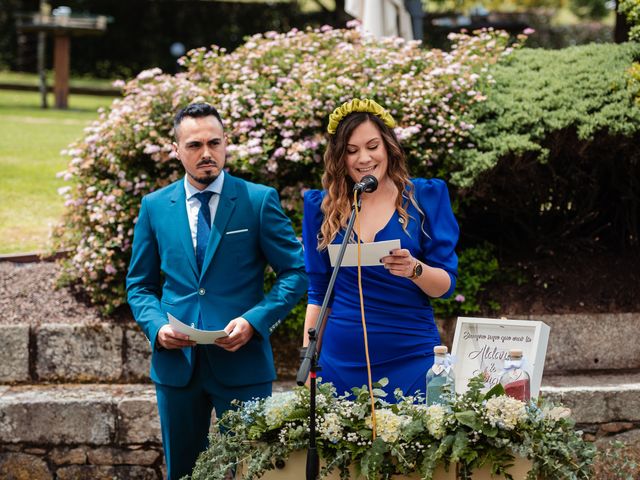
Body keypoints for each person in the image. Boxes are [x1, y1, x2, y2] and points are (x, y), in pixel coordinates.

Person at [126, 102, 307, 479]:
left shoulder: (258, 200)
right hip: (177, 368)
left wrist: (254, 322)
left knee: (252, 472)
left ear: (227, 144)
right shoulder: (155, 206)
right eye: (194, 145)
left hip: (244, 363)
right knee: (184, 473)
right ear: (175, 150)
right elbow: (140, 285)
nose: (206, 153)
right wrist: (158, 329)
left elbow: (296, 272)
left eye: (214, 142)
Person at [302, 98, 459, 400]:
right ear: (339, 157)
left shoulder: (425, 196)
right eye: (351, 150)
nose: (364, 158)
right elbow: (318, 292)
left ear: (388, 147)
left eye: (372, 146)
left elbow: (445, 286)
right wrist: (307, 358)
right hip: (340, 363)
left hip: (412, 357)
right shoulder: (320, 208)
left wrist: (415, 269)